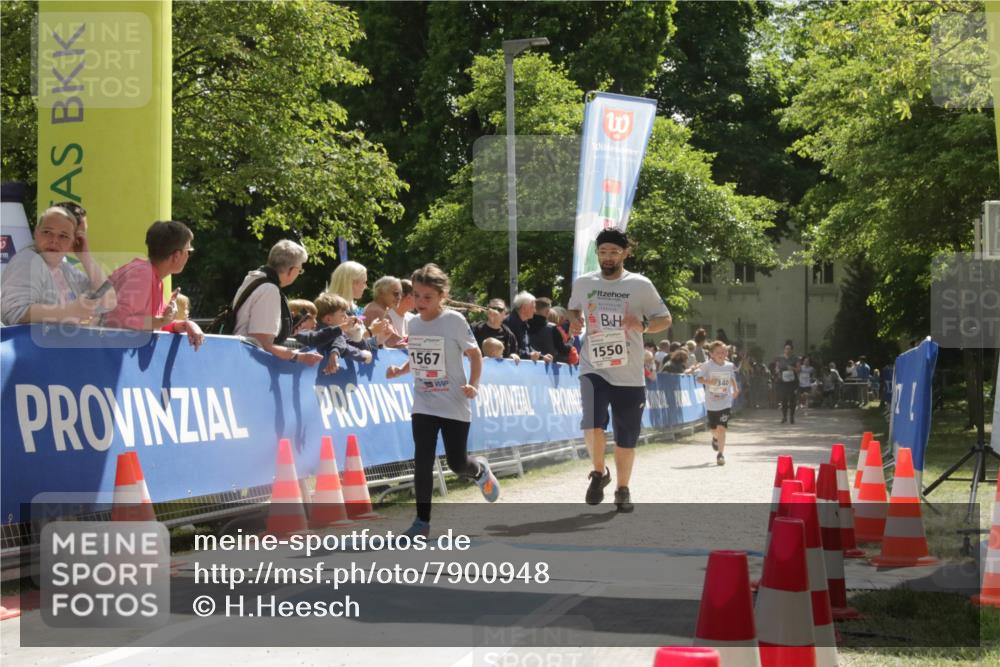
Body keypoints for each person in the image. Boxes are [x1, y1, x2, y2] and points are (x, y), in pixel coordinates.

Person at [386, 263, 499, 538]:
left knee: (456, 463)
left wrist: (473, 384)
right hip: (424, 402)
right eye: (416, 295)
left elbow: (474, 355)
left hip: (454, 401)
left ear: (442, 297)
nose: (421, 302)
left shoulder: (454, 321)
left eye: (428, 297)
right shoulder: (413, 323)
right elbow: (418, 357)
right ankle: (421, 523)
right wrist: (399, 371)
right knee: (422, 460)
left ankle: (479, 469)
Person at [568, 228, 672, 512]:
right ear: (597, 254)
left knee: (626, 438)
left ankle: (622, 488)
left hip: (629, 372)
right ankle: (599, 473)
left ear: (626, 252)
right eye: (603, 252)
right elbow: (574, 309)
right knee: (591, 423)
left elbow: (665, 318)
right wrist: (575, 321)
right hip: (594, 367)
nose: (608, 258)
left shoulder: (640, 285)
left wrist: (644, 326)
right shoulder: (584, 282)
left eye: (614, 252)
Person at [1, 205, 116, 325]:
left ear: (73, 242)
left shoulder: (65, 269)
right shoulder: (27, 260)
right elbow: (15, 313)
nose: (54, 240)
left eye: (63, 236)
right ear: (36, 233)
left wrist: (85, 257)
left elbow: (108, 302)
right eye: (47, 232)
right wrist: (70, 311)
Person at [102, 220, 204, 349]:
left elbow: (147, 323)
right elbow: (118, 320)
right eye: (188, 251)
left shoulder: (150, 274)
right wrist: (161, 321)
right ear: (176, 255)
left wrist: (183, 325)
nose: (189, 256)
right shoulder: (143, 274)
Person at [230, 239, 322, 366]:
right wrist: (298, 357)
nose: (298, 274)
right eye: (299, 270)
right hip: (247, 364)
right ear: (291, 269)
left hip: (238, 357)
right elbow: (262, 345)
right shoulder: (270, 290)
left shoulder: (254, 278)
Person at [295, 293, 373, 375]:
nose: (346, 318)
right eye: (342, 315)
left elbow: (362, 346)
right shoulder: (317, 332)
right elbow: (342, 344)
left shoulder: (339, 332)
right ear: (328, 319)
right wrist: (360, 355)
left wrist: (356, 332)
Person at [696, 341, 739, 466]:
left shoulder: (729, 365)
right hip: (711, 403)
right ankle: (715, 438)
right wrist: (709, 382)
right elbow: (698, 379)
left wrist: (735, 389)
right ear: (711, 354)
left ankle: (720, 454)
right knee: (714, 429)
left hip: (725, 402)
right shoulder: (707, 366)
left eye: (723, 352)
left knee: (722, 428)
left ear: (727, 353)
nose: (721, 354)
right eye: (718, 352)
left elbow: (731, 377)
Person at [326, 260, 369, 343]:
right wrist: (371, 332)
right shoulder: (332, 308)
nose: (365, 287)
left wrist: (380, 338)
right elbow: (340, 343)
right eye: (364, 282)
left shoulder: (353, 308)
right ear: (351, 283)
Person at [505, 291, 546, 362]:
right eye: (533, 307)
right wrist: (529, 355)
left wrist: (541, 356)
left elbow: (527, 347)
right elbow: (510, 349)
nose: (535, 311)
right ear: (524, 308)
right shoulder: (509, 322)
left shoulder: (525, 324)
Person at [773, 340, 801, 424]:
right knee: (783, 399)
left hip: (792, 382)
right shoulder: (780, 358)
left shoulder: (795, 358)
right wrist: (777, 371)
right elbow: (777, 368)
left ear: (792, 350)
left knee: (792, 400)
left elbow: (799, 369)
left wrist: (793, 368)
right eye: (786, 349)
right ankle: (784, 416)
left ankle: (792, 417)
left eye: (789, 349)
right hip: (783, 382)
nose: (787, 350)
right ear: (784, 349)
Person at [386, 278, 416, 344]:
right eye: (416, 296)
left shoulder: (414, 318)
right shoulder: (385, 316)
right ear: (407, 296)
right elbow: (392, 342)